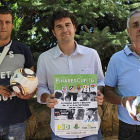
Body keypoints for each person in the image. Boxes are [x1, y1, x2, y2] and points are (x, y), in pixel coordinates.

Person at [36, 9, 104, 140]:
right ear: (53, 32)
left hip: (90, 128)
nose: (64, 29)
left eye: (67, 25)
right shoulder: (45, 58)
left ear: (74, 27)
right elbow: (40, 86)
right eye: (59, 26)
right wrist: (46, 98)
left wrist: (98, 92)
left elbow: (100, 82)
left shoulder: (92, 54)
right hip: (61, 131)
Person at [0, 6, 37, 140]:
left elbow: (32, 81)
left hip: (17, 118)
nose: (3, 26)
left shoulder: (23, 49)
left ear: (12, 25)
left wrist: (29, 94)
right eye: (0, 21)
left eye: (7, 22)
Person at [104, 9, 140, 140]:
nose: (139, 28)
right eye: (135, 25)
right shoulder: (117, 59)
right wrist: (123, 101)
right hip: (130, 131)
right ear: (128, 31)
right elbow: (106, 91)